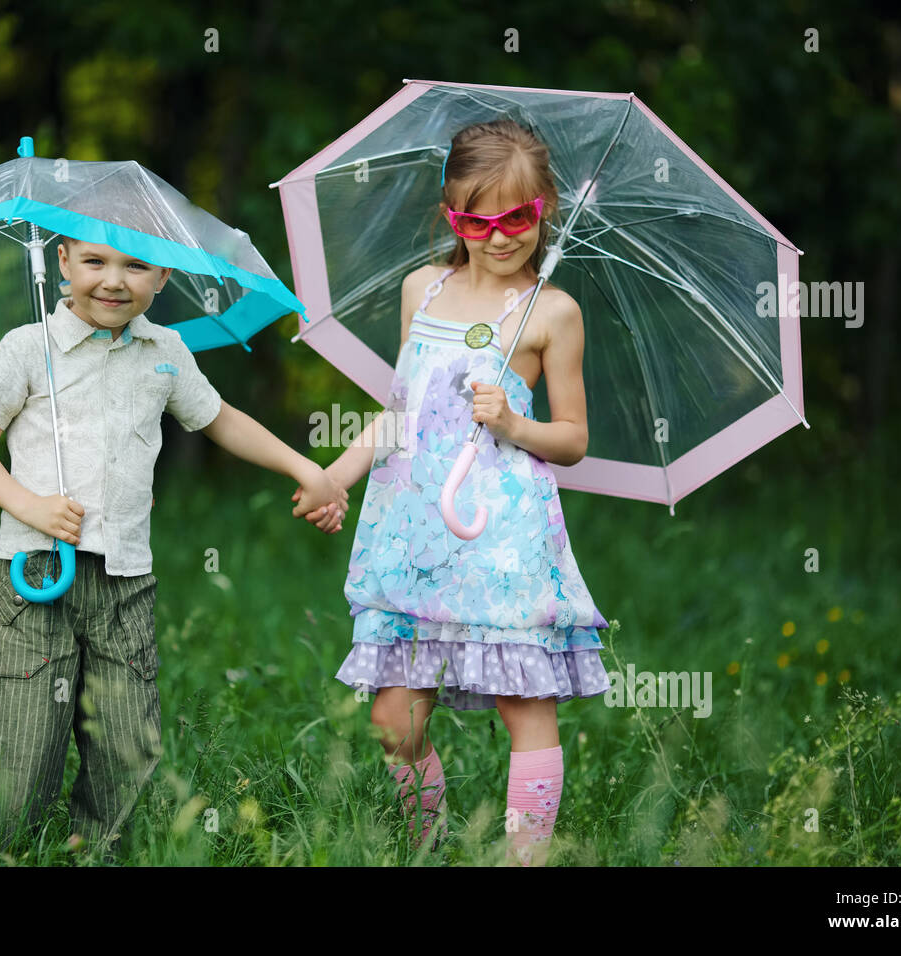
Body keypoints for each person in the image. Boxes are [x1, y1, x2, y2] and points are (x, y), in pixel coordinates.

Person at [0, 235, 347, 853]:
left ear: (162, 275)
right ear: (61, 263)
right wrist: (30, 506)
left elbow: (219, 418)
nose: (114, 280)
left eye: (136, 266)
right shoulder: (29, 349)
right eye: (94, 262)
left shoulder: (166, 351)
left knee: (125, 745)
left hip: (124, 580)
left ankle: (98, 852)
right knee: (22, 745)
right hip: (35, 575)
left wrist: (304, 467)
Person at [299, 118, 613, 866]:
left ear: (545, 211)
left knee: (523, 703)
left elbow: (573, 438)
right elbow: (400, 410)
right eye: (478, 220)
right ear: (452, 217)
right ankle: (425, 843)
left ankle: (522, 859)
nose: (499, 237)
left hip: (502, 536)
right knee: (395, 720)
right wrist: (333, 477)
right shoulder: (423, 288)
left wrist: (513, 422)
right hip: (414, 528)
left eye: (518, 219)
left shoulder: (552, 311)